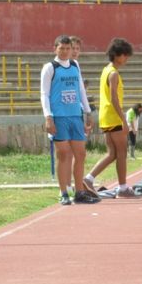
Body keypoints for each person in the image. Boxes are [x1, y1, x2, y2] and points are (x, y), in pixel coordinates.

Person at [41, 34, 98, 205]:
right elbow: (44, 94)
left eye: (68, 48)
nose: (65, 51)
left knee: (80, 153)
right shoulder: (50, 68)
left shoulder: (75, 65)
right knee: (63, 154)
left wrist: (88, 112)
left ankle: (79, 191)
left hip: (75, 115)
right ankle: (63, 192)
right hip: (59, 116)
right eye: (62, 48)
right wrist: (48, 117)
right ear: (55, 49)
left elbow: (81, 90)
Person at [84, 38, 135, 197]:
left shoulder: (106, 70)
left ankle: (88, 178)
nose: (126, 58)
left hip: (105, 116)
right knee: (122, 153)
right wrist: (124, 120)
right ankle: (123, 188)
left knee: (112, 153)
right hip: (113, 116)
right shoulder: (113, 73)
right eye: (125, 55)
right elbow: (114, 98)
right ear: (117, 55)